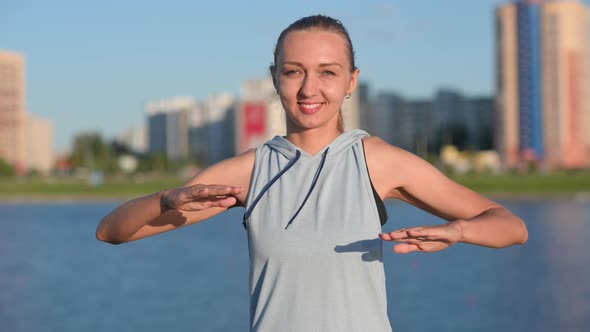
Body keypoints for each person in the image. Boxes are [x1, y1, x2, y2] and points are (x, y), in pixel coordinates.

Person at [96, 14, 528, 332]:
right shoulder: (248, 171)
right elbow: (110, 231)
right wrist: (166, 200)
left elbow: (510, 226)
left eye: (327, 72)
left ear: (351, 82)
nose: (308, 89)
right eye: (293, 71)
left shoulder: (378, 161)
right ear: (275, 78)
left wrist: (459, 231)